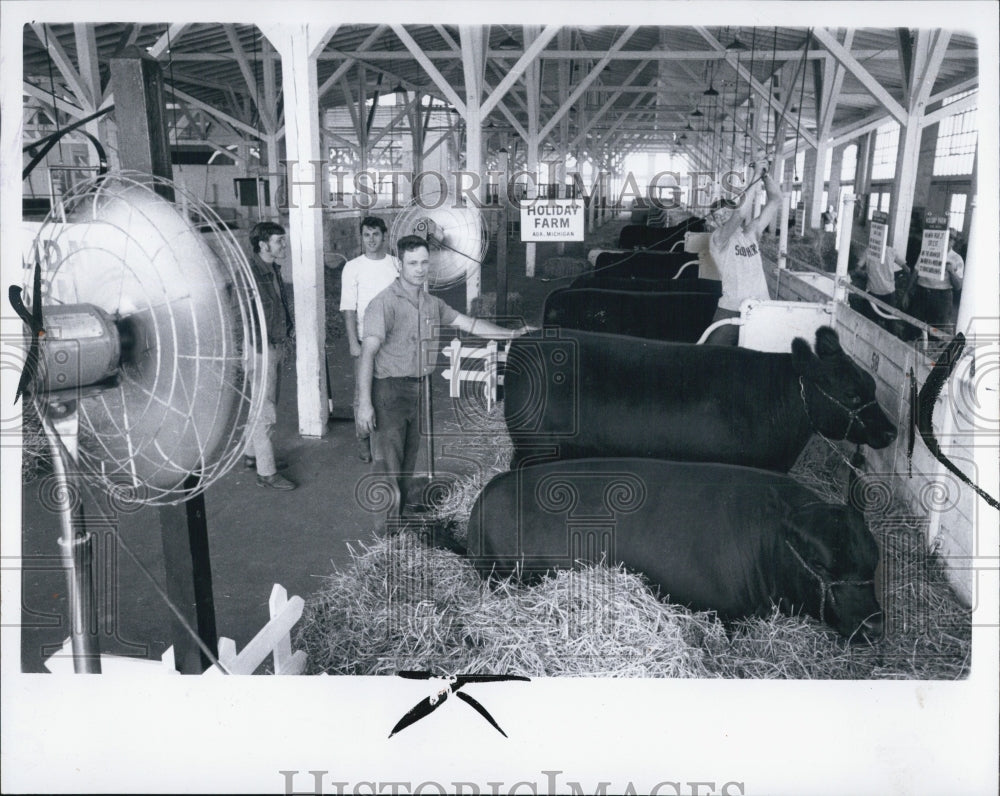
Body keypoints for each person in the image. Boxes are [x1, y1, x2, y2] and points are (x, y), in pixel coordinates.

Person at [356, 235, 534, 526]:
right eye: (412, 263)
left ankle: (398, 518)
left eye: (425, 262)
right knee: (388, 464)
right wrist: (365, 403)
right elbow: (367, 353)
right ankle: (386, 535)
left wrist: (513, 334)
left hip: (420, 388)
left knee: (408, 458)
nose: (420, 269)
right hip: (389, 390)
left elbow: (471, 324)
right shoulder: (384, 303)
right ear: (400, 264)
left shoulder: (431, 303)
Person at [340, 216, 400, 462]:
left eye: (376, 234)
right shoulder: (353, 267)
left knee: (391, 391)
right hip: (366, 340)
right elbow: (348, 308)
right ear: (361, 237)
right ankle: (363, 441)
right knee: (362, 393)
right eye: (367, 235)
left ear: (384, 236)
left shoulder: (396, 264)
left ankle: (386, 442)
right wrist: (354, 342)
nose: (371, 239)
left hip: (393, 340)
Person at [704, 158, 783, 344]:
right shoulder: (717, 238)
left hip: (761, 306)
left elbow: (776, 200)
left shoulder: (752, 232)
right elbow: (739, 215)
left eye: (725, 212)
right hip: (732, 307)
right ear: (714, 223)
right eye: (717, 216)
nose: (722, 217)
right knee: (714, 358)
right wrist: (754, 177)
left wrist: (765, 176)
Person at [246, 221, 296, 491]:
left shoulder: (271, 269)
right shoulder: (251, 274)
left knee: (261, 403)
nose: (283, 245)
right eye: (279, 241)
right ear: (264, 245)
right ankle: (266, 472)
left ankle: (251, 455)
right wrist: (255, 348)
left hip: (273, 345)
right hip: (260, 349)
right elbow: (239, 316)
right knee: (265, 411)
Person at [908, 227, 964, 332]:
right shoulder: (926, 251)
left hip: (942, 297)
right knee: (914, 327)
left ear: (954, 241)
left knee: (936, 332)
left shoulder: (957, 259)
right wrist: (907, 293)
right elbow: (915, 272)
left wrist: (951, 272)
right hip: (921, 293)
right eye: (945, 236)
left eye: (951, 238)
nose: (948, 240)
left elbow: (958, 286)